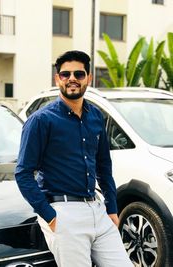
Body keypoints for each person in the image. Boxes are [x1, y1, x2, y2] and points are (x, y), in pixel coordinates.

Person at [15, 50, 133, 267]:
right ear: (57, 78)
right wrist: (49, 216)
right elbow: (23, 173)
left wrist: (112, 208)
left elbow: (104, 166)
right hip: (63, 213)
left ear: (89, 78)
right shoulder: (41, 120)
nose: (72, 79)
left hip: (97, 210)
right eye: (65, 74)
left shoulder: (96, 116)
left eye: (78, 74)